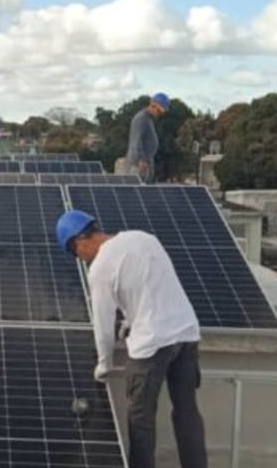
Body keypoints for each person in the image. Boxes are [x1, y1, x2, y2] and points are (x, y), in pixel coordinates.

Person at [56, 209, 207, 468]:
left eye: (75, 254)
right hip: (186, 333)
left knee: (140, 420)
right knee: (186, 411)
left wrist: (104, 364)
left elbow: (102, 325)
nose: (80, 260)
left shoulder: (100, 268)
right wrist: (130, 319)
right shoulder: (143, 238)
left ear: (79, 242)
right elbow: (152, 286)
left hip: (152, 344)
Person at [126, 92, 169, 183]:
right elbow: (136, 141)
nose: (160, 114)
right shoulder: (141, 119)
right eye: (159, 111)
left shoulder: (148, 119)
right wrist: (141, 160)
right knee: (139, 192)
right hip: (139, 165)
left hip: (147, 162)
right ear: (153, 106)